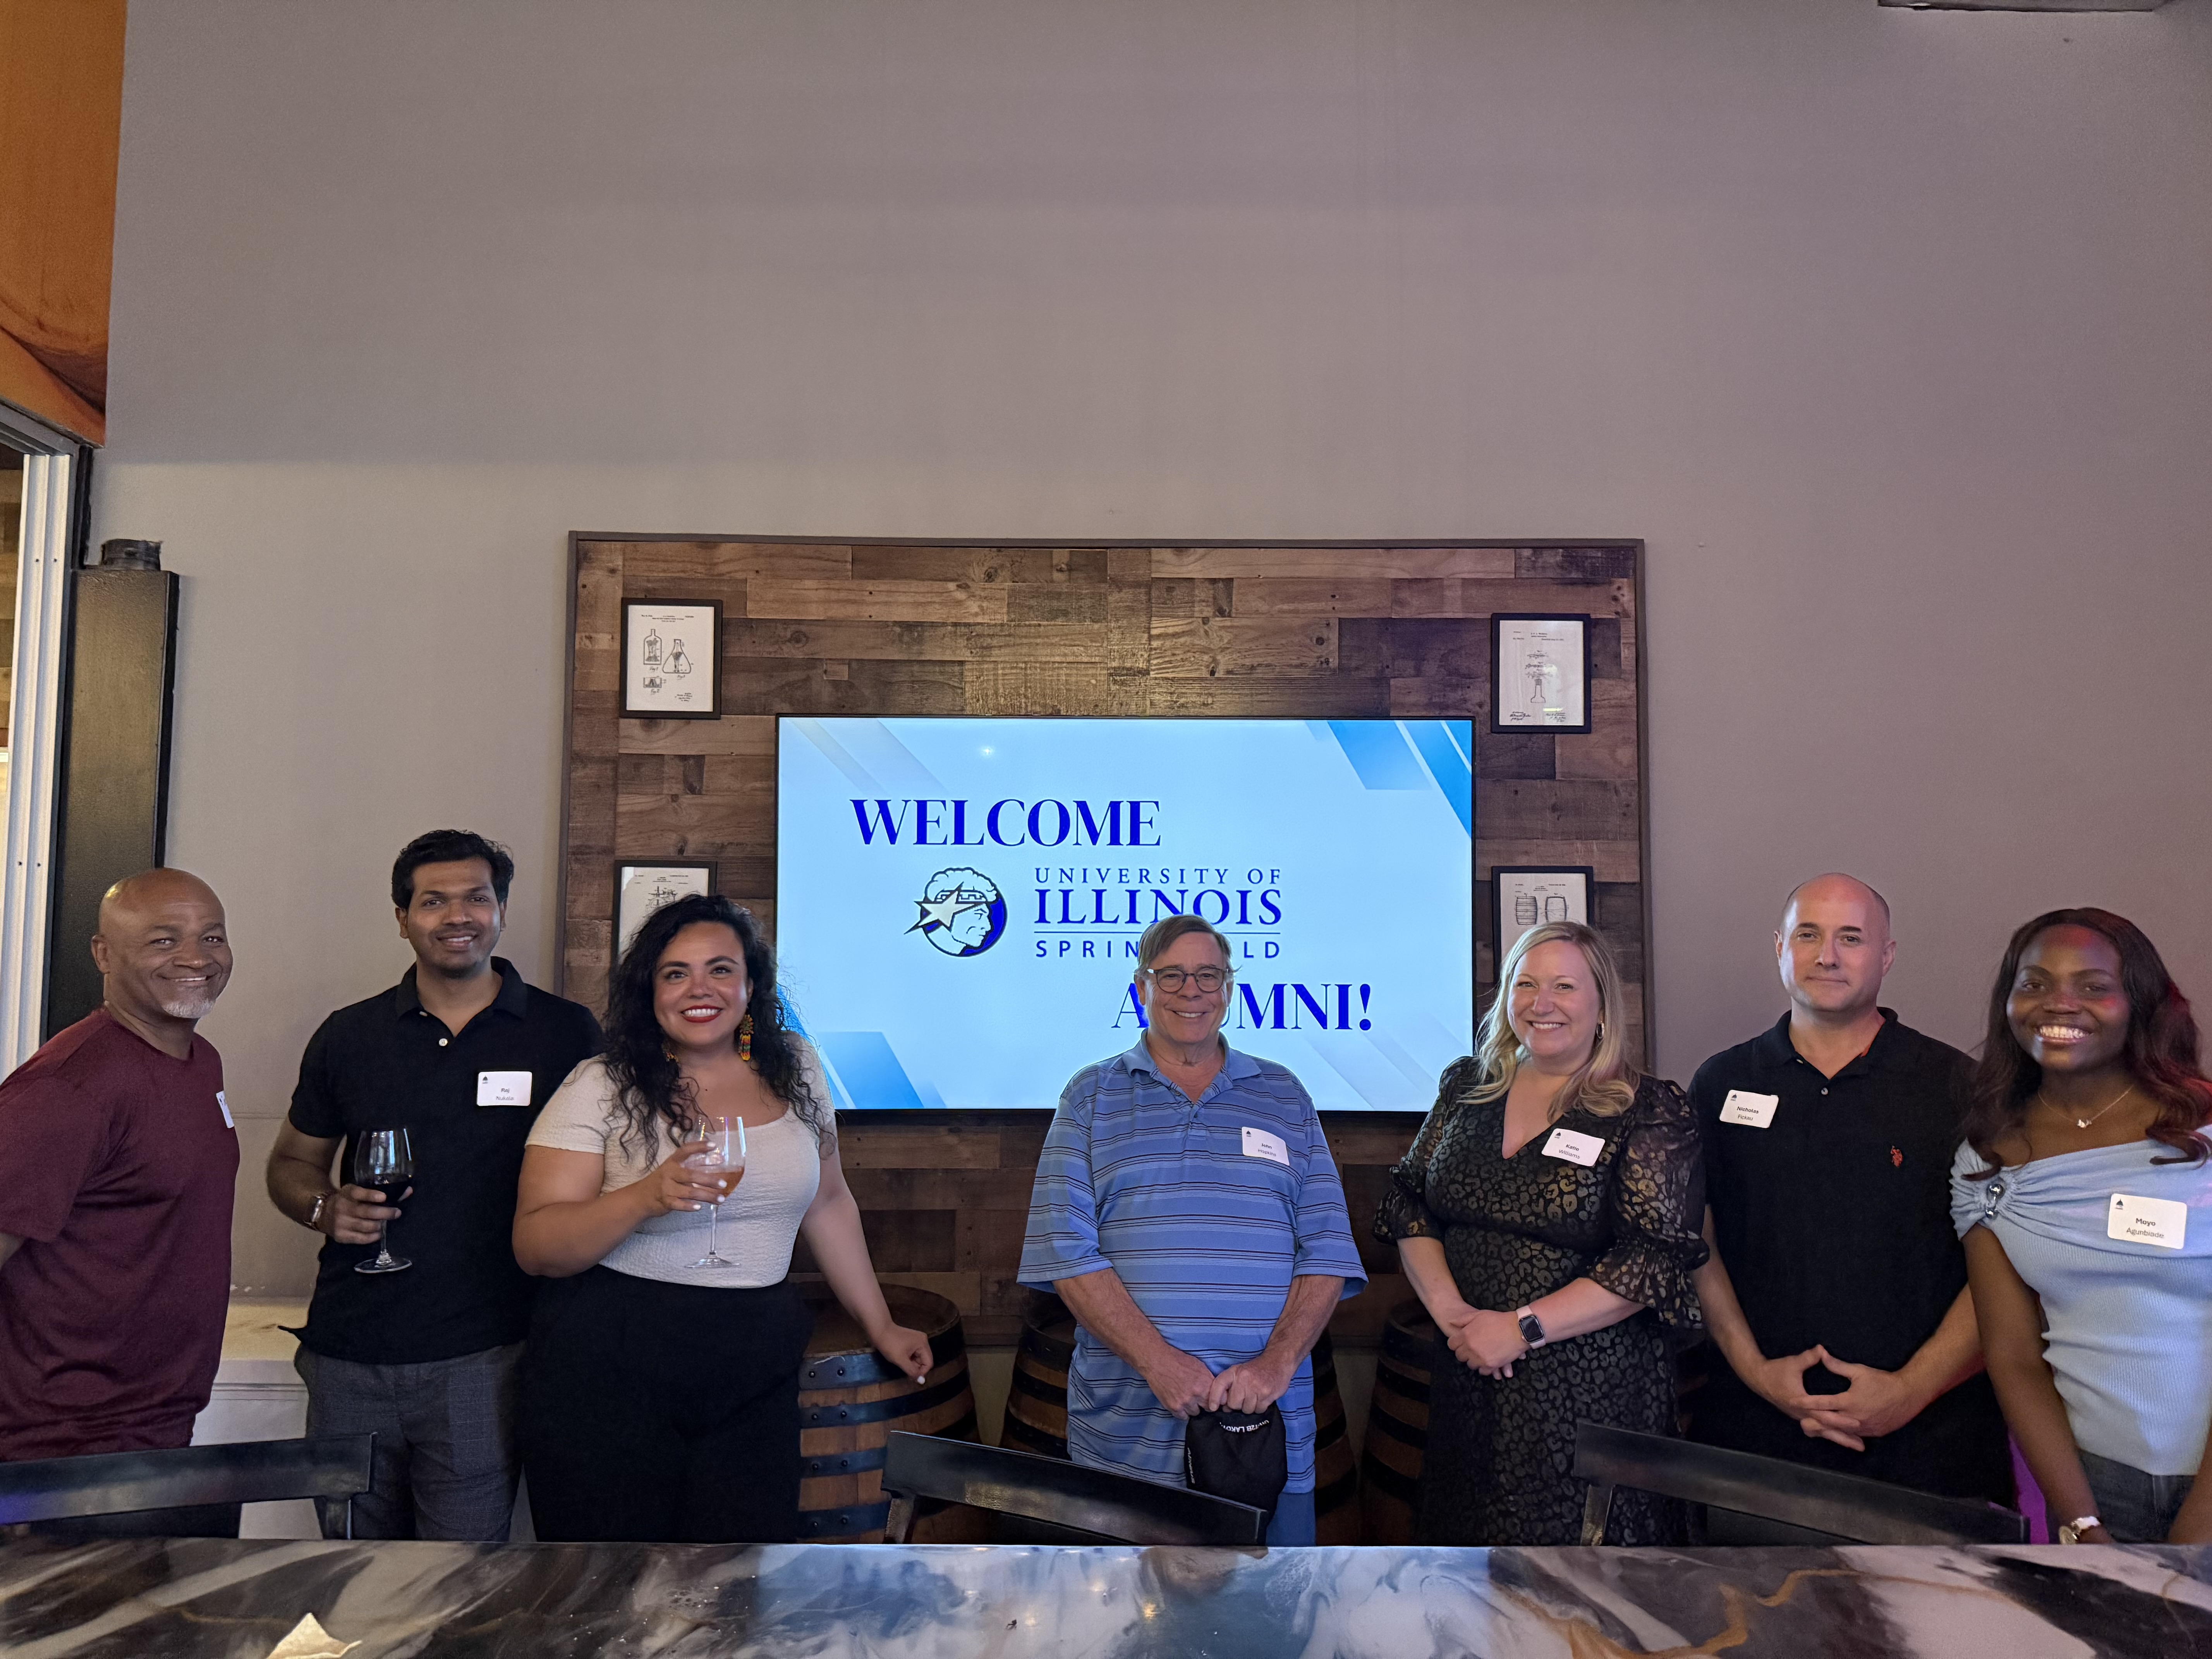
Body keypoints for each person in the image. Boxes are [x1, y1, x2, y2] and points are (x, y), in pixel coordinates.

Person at [513, 893, 931, 1543]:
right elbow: (536, 1246)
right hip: (612, 1355)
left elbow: (828, 1201)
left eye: (720, 970)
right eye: (675, 973)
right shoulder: (600, 1083)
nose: (697, 989)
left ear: (752, 985)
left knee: (737, 1579)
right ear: (649, 990)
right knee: (611, 1586)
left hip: (752, 1351)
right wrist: (643, 1199)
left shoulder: (797, 1066)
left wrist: (880, 1324)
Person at [266, 831, 600, 1540]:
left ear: (502, 909)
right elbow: (290, 1165)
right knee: (353, 1579)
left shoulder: (564, 1033)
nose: (459, 916)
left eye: (478, 897)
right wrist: (326, 1208)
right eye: (434, 900)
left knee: (463, 1587)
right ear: (402, 917)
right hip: (349, 1355)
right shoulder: (348, 1035)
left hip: (487, 1358)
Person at [1018, 914, 1366, 1546]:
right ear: (1140, 987)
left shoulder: (1284, 1095)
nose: (1192, 991)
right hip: (1128, 1441)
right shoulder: (1090, 1097)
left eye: (1209, 975)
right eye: (1171, 975)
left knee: (1271, 1629)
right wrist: (1160, 1365)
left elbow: (1327, 1250)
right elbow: (1065, 1252)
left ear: (1229, 990)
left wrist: (1275, 1364)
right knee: (1126, 1634)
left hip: (1265, 1436)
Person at [1376, 919, 1705, 1545]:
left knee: (1581, 1604)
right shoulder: (1467, 1087)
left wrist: (1521, 1327)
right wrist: (1455, 1317)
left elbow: (1653, 1259)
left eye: (1563, 986)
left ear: (1603, 1005)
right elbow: (1409, 1199)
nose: (1541, 1003)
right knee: (1466, 1584)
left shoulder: (1650, 1109)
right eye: (1525, 985)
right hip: (1470, 1375)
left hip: (1588, 1398)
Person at [1687, 874, 2011, 1508]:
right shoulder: (1721, 1083)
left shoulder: (1959, 1087)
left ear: (1886, 956)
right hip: (1756, 1438)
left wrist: (1911, 1391)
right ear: (1779, 947)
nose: (1827, 955)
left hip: (1931, 1445)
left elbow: (2004, 1264)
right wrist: (1757, 1373)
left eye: (1851, 938)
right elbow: (1700, 1242)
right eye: (1808, 935)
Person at [1954, 908, 2212, 1546]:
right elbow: (2013, 1357)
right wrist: (2081, 1521)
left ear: (2140, 1004)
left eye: (2094, 986)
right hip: (2098, 1484)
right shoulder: (1989, 1158)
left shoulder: (2203, 1132)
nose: (2059, 1004)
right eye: (2034, 983)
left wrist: (2194, 1539)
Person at [0, 870, 238, 1535]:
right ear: (104, 954)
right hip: (60, 1455)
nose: (196, 958)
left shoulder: (201, 1062)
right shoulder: (67, 1089)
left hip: (154, 1432)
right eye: (164, 940)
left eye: (211, 937)